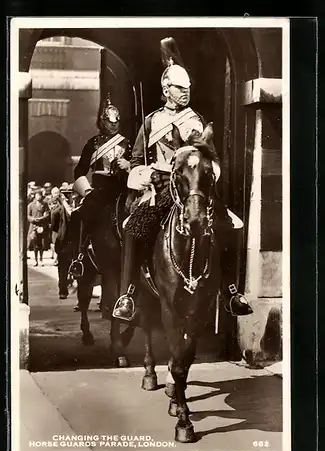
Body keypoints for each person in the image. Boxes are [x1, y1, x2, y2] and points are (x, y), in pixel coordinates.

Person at [113, 37, 253, 321]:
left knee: (231, 224)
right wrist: (145, 174)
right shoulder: (151, 121)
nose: (185, 92)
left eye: (187, 88)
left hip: (193, 187)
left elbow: (211, 157)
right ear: (166, 89)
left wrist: (209, 173)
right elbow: (138, 161)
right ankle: (127, 294)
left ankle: (231, 290)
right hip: (161, 187)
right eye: (179, 88)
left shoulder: (197, 119)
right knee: (133, 226)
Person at [68, 94, 132, 272]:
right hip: (100, 191)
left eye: (116, 121)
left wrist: (128, 166)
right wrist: (87, 191)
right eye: (110, 121)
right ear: (103, 121)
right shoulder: (93, 144)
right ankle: (79, 255)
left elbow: (139, 165)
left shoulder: (128, 144)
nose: (113, 124)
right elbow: (79, 171)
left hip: (123, 189)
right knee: (81, 214)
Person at [50, 186, 73, 299]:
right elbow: (54, 228)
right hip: (65, 243)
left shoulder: (74, 208)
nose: (69, 197)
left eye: (70, 194)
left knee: (65, 269)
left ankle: (65, 290)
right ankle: (63, 290)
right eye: (66, 194)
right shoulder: (56, 211)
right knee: (63, 269)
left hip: (71, 243)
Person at [27, 189, 50, 266]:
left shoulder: (45, 204)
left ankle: (41, 259)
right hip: (33, 226)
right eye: (37, 195)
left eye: (39, 195)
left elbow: (47, 214)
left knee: (42, 244)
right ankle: (35, 259)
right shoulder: (31, 205)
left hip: (42, 226)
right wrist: (33, 219)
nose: (38, 197)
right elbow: (28, 215)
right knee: (34, 243)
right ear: (35, 196)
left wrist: (41, 219)